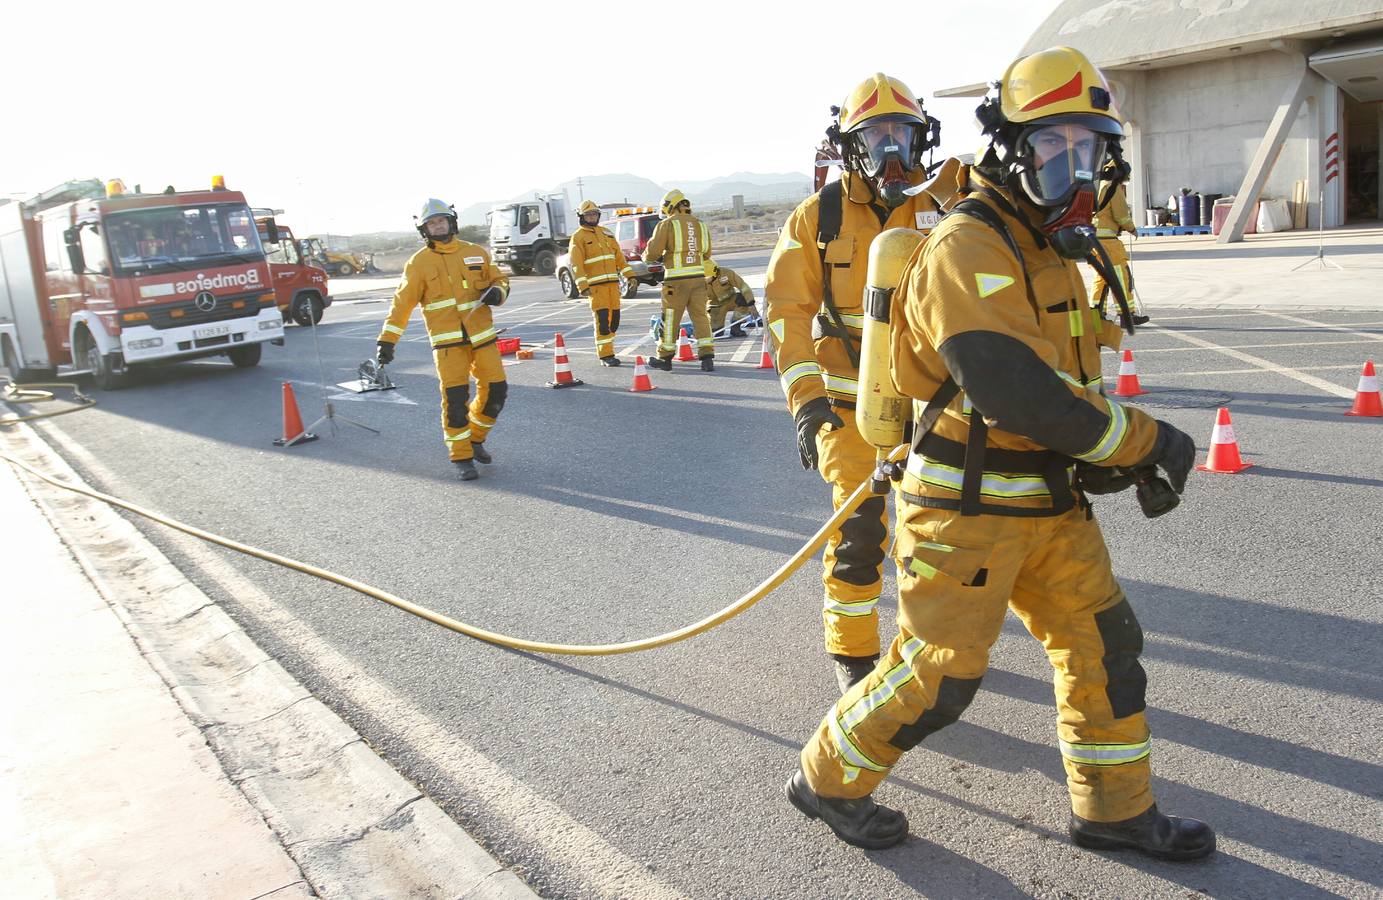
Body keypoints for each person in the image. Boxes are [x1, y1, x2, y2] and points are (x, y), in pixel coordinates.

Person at [785, 47, 1214, 862]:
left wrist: (1106, 459)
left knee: (1103, 651)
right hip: (965, 513)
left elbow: (1067, 381)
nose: (1075, 171)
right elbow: (1010, 387)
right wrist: (1146, 440)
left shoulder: (1047, 243)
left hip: (1051, 504)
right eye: (1055, 150)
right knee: (938, 679)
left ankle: (1113, 810)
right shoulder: (965, 246)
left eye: (1088, 152)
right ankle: (825, 779)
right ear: (1011, 149)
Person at [763, 73, 947, 694]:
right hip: (849, 401)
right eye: (877, 136)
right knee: (860, 530)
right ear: (851, 146)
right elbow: (786, 312)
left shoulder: (946, 204)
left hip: (935, 403)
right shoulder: (818, 219)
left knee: (940, 532)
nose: (893, 150)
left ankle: (930, 642)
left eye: (904, 133)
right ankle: (855, 655)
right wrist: (808, 404)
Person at [376, 199, 509, 481]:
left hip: (482, 338)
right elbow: (401, 305)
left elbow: (500, 279)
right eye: (432, 223)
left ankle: (475, 438)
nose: (438, 226)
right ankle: (462, 457)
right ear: (424, 229)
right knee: (456, 400)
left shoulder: (475, 252)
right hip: (448, 346)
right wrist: (387, 340)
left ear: (451, 222)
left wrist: (498, 292)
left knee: (497, 391)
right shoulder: (418, 263)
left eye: (442, 220)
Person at [643, 189, 714, 371]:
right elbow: (706, 252)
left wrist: (651, 257)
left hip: (675, 281)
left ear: (669, 207)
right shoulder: (700, 224)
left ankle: (665, 358)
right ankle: (707, 358)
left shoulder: (667, 224)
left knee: (670, 319)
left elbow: (652, 253)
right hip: (698, 279)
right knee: (700, 318)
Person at [568, 200, 635, 366]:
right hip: (596, 289)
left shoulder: (606, 233)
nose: (592, 217)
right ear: (581, 217)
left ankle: (609, 349)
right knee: (602, 321)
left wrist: (630, 276)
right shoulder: (578, 237)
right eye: (588, 214)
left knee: (614, 321)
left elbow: (619, 257)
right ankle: (605, 355)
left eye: (594, 214)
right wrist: (583, 286)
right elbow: (577, 264)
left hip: (613, 285)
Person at [1091, 166, 1149, 326]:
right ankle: (1126, 315)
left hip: (1095, 240)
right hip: (1108, 242)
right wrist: (1131, 228)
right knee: (1122, 277)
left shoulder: (1097, 185)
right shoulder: (1112, 188)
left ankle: (1096, 315)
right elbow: (1121, 214)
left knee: (1102, 278)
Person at [705, 261, 757, 338]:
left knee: (743, 299)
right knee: (717, 332)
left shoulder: (726, 273)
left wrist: (751, 304)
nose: (705, 279)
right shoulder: (698, 281)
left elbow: (743, 286)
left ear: (715, 273)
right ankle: (717, 327)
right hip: (715, 306)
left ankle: (736, 326)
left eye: (707, 277)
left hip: (731, 300)